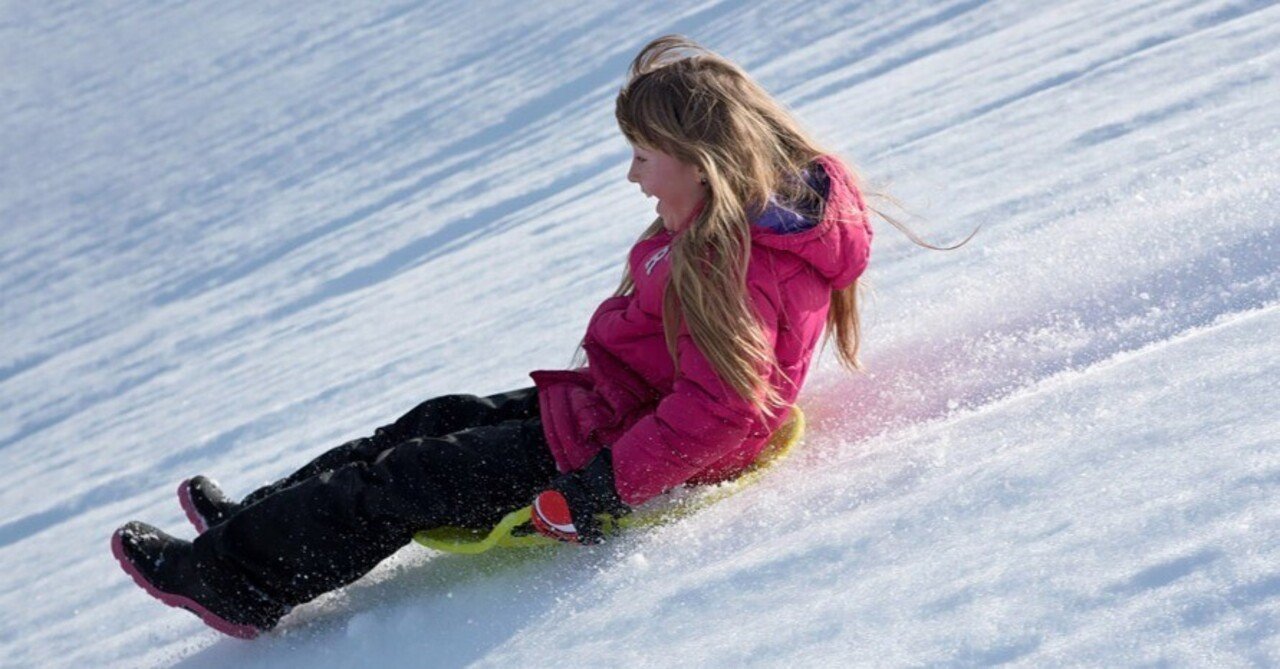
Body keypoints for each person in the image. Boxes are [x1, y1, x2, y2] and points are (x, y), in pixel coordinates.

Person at [111, 34, 875, 639]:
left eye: (644, 157)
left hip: (609, 452)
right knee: (433, 419)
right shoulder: (738, 229)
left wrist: (602, 491)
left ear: (705, 166)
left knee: (404, 478)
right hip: (612, 410)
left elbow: (720, 413)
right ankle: (255, 520)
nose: (634, 178)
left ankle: (235, 579)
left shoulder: (732, 264)